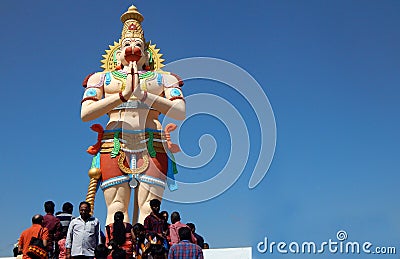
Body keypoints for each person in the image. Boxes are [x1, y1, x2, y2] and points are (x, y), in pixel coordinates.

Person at [81, 5, 186, 226]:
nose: (132, 48)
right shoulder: (101, 79)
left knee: (149, 209)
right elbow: (86, 113)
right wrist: (122, 95)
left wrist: (144, 95)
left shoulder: (164, 79)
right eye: (126, 44)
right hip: (115, 142)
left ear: (147, 54)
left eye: (138, 44)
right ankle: (117, 248)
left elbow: (180, 111)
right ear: (117, 53)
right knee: (116, 208)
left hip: (151, 142)